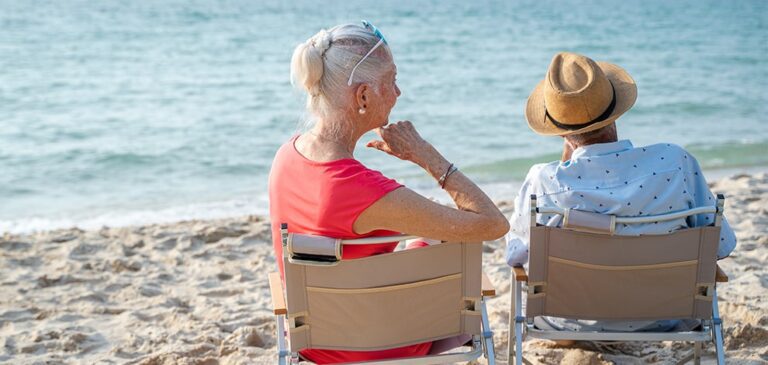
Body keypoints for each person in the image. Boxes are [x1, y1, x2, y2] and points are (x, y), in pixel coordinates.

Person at [268, 22, 509, 364]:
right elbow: (492, 224)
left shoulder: (285, 157)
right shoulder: (367, 192)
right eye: (392, 81)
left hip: (313, 343)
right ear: (363, 95)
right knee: (439, 246)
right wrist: (428, 156)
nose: (399, 93)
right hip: (377, 347)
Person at [506, 52, 737, 333]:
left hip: (569, 318)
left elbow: (515, 257)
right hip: (666, 315)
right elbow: (721, 246)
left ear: (559, 132)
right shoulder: (676, 163)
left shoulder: (544, 182)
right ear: (616, 112)